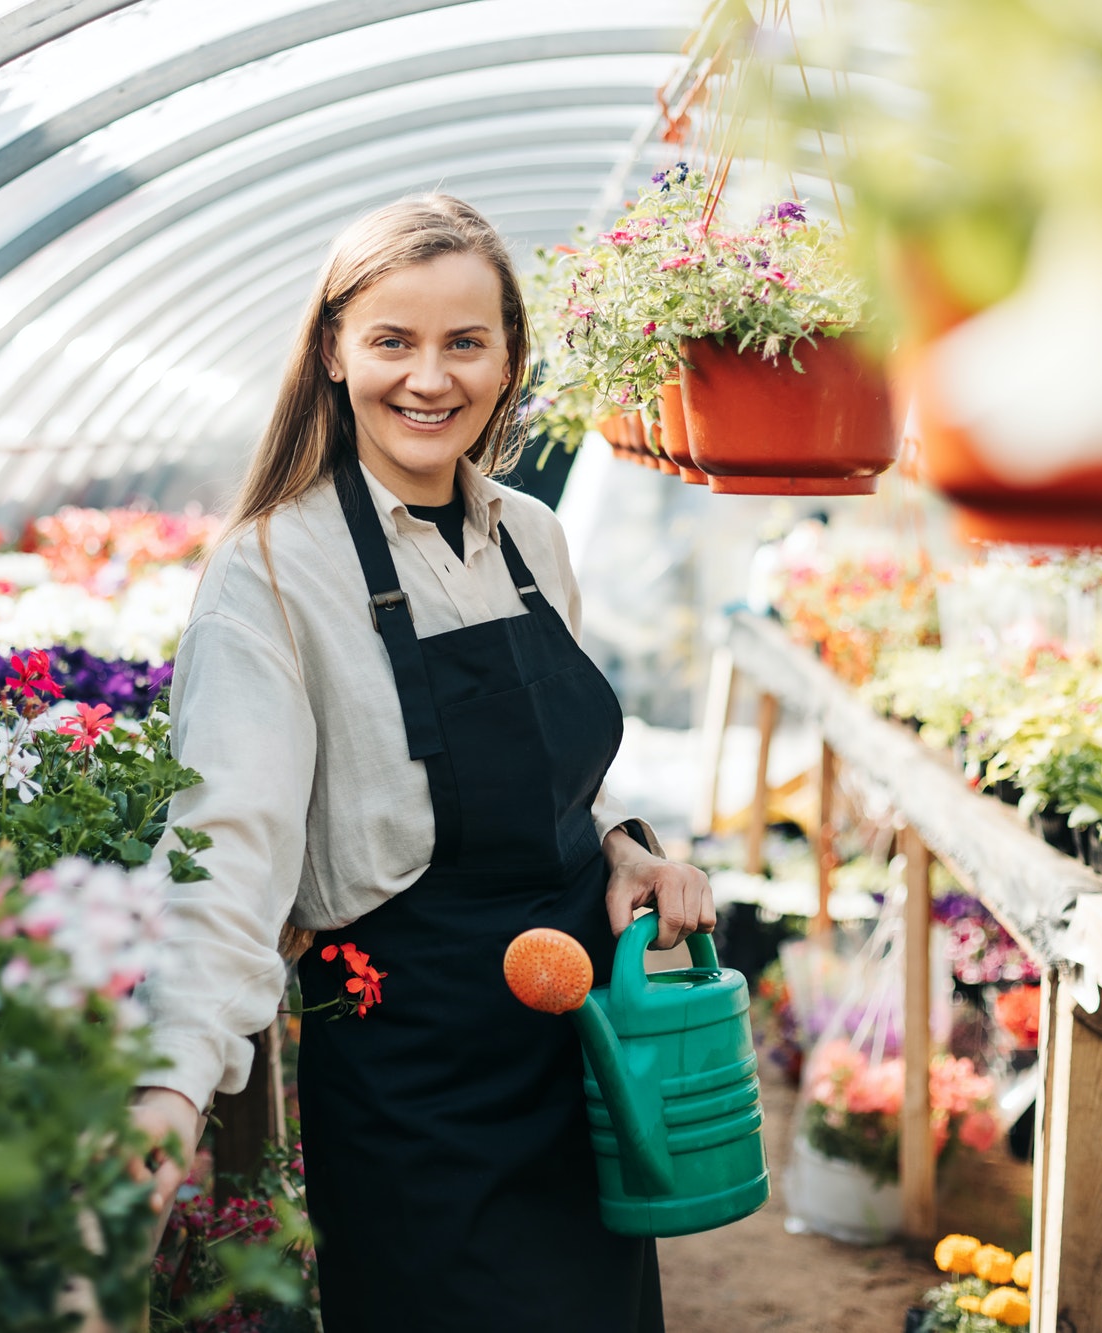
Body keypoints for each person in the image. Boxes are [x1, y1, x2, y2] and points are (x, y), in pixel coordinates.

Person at [131, 194, 713, 1332]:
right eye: (392, 340)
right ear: (334, 352)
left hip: (579, 1051)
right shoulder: (270, 569)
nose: (428, 378)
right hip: (417, 1087)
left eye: (464, 342)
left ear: (508, 360)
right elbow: (227, 848)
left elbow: (561, 778)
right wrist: (167, 1084)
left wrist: (624, 845)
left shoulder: (532, 540)